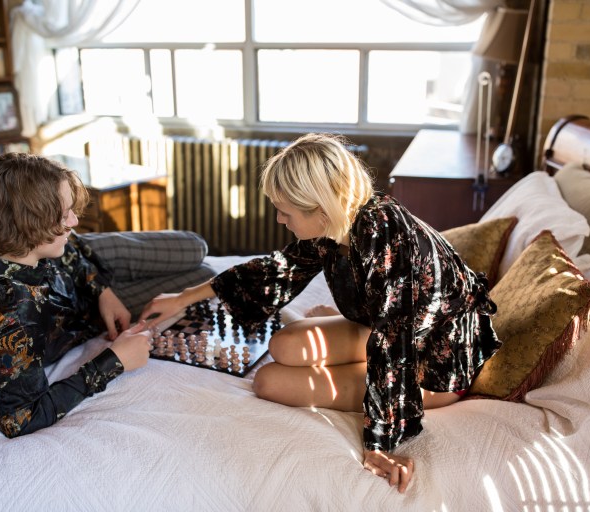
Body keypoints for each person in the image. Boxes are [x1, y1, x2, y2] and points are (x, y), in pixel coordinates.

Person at [140, 133, 501, 493]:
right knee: (283, 347)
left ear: (321, 205)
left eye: (285, 209)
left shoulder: (388, 239)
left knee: (269, 383)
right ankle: (339, 337)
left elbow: (393, 346)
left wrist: (379, 444)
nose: (280, 219)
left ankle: (343, 343)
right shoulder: (338, 224)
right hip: (383, 328)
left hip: (432, 365)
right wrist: (184, 297)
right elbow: (278, 269)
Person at [0, 152, 214, 438]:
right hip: (78, 315)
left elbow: (68, 244)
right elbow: (20, 419)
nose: (75, 220)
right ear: (29, 225)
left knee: (194, 247)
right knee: (203, 278)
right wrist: (114, 360)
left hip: (74, 260)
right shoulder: (12, 315)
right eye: (65, 215)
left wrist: (103, 290)